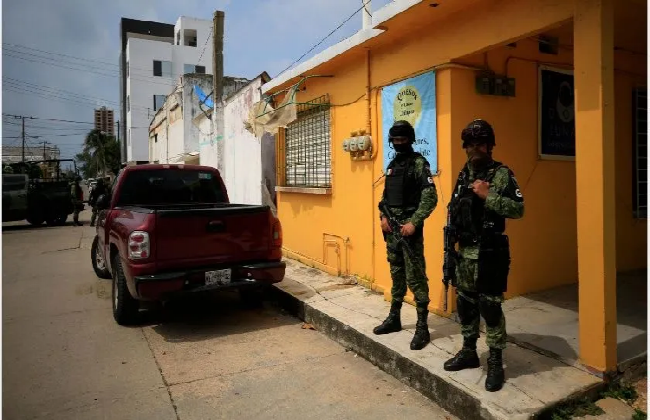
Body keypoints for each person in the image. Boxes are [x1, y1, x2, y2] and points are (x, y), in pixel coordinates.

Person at [443, 119, 524, 392]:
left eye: (480, 143)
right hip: (465, 252)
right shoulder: (464, 174)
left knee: (490, 308)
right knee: (465, 305)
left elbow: (517, 209)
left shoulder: (501, 174)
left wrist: (489, 196)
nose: (474, 149)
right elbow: (454, 209)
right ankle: (468, 352)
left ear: (489, 145)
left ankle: (495, 362)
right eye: (470, 144)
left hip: (489, 252)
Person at [374, 120, 438, 351]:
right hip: (391, 231)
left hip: (409, 232)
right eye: (395, 140)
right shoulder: (392, 165)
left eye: (402, 140)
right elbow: (384, 198)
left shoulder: (419, 164)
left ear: (410, 140)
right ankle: (394, 318)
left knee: (416, 277)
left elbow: (430, 197)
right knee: (397, 275)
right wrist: (383, 217)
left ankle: (422, 327)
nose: (399, 144)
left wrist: (414, 222)